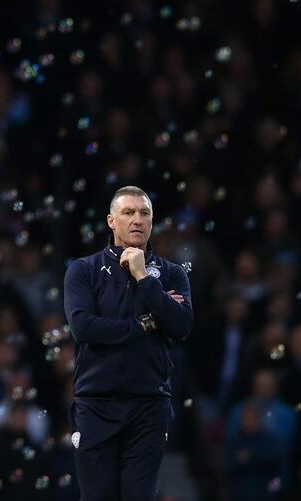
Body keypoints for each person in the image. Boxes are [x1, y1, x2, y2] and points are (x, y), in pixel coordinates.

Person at [63, 185, 194, 501]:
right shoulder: (83, 270)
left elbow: (180, 326)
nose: (137, 220)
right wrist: (148, 323)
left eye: (144, 213)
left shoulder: (171, 274)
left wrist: (144, 279)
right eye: (128, 212)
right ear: (111, 221)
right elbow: (84, 327)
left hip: (149, 405)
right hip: (96, 403)